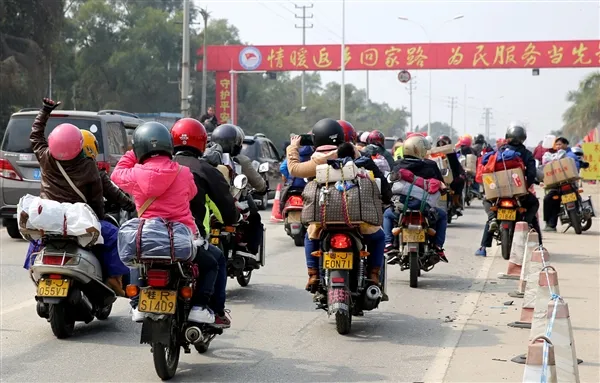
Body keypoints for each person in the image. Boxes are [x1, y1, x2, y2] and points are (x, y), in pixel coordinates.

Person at [111, 121, 217, 324]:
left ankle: (136, 304)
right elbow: (192, 193)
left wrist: (134, 153)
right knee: (213, 262)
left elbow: (116, 174)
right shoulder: (183, 172)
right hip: (181, 240)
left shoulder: (134, 174)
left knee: (136, 260)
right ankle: (199, 307)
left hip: (147, 237)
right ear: (169, 146)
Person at [27, 98, 127, 295]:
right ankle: (114, 278)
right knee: (114, 235)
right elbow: (97, 200)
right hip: (77, 222)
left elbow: (35, 135)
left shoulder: (45, 157)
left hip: (50, 219)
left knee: (36, 240)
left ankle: (31, 268)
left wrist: (45, 111)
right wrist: (99, 218)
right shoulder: (89, 167)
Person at [287, 119, 386, 291]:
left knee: (311, 235)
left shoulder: (316, 161)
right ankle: (373, 274)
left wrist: (292, 147)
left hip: (323, 219)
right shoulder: (354, 154)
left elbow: (294, 169)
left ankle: (313, 275)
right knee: (378, 237)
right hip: (357, 217)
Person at [171, 118, 239, 328]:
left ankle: (138, 300)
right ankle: (213, 309)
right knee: (216, 260)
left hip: (152, 234)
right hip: (189, 237)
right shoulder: (205, 169)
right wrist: (232, 219)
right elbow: (226, 205)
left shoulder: (159, 167)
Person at [475, 123, 540, 256]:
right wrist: (524, 187)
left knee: (489, 204)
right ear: (523, 138)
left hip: (498, 192)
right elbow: (532, 174)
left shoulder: (499, 151)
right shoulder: (526, 154)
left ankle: (483, 248)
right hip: (518, 193)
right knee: (534, 203)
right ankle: (528, 228)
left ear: (507, 136)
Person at [384, 135, 449, 263]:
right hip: (424, 208)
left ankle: (388, 245)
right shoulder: (430, 165)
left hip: (401, 208)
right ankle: (438, 247)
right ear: (420, 150)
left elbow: (390, 184)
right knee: (442, 216)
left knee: (386, 215)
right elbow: (441, 185)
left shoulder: (397, 165)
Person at [211, 124, 266, 255]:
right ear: (237, 144)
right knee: (255, 219)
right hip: (235, 202)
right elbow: (259, 184)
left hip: (211, 201)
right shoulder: (242, 160)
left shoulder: (207, 159)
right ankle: (250, 250)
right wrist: (263, 189)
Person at [542, 137, 589, 232]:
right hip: (557, 185)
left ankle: (551, 224)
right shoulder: (554, 156)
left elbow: (576, 166)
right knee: (549, 199)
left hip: (570, 183)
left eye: (560, 144)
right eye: (557, 145)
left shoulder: (571, 155)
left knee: (550, 199)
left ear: (566, 144)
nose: (558, 146)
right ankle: (550, 224)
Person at [434, 135, 465, 214]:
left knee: (460, 181)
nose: (441, 146)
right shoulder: (434, 154)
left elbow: (457, 166)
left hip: (451, 178)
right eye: (440, 144)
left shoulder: (452, 154)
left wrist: (461, 174)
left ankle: (456, 201)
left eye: (443, 144)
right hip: (438, 178)